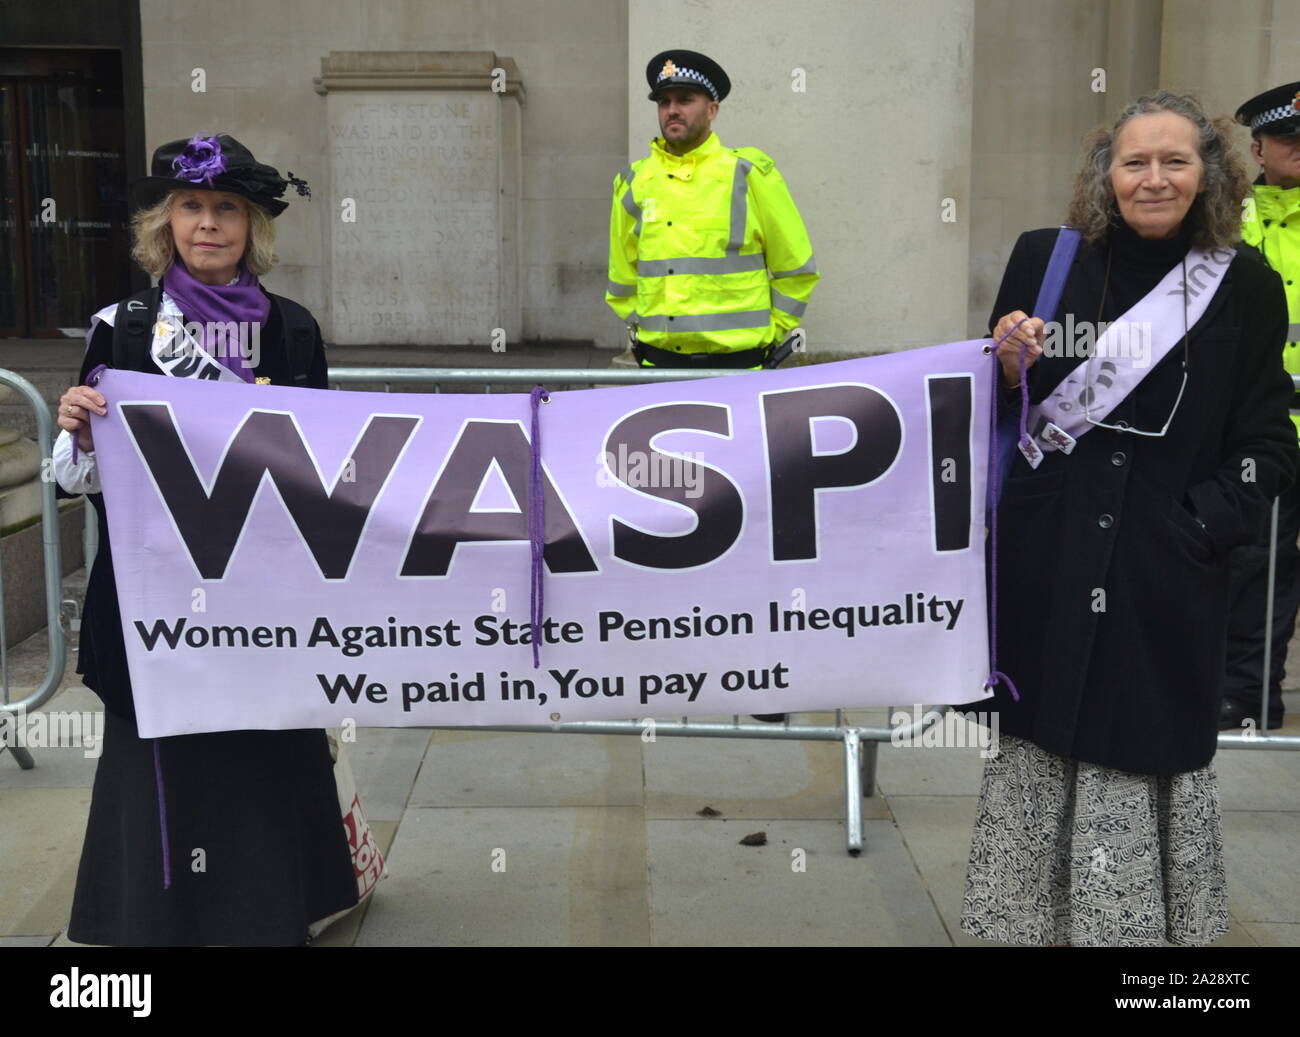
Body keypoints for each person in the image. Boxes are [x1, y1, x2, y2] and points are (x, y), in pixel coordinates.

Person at [960, 92, 1297, 946]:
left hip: (1162, 567)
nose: (1153, 178)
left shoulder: (1246, 284)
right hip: (1054, 553)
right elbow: (988, 405)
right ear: (1105, 175)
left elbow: (1266, 442)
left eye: (1175, 161)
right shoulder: (1047, 260)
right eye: (1134, 162)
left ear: (1209, 174)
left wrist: (1201, 525)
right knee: (1040, 743)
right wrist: (1001, 368)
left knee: (1135, 743)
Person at [53, 133, 359, 946]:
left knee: (262, 746)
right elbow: (73, 476)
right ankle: (156, 919)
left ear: (252, 225)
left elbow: (322, 469)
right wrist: (80, 434)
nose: (208, 224)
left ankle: (271, 909)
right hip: (156, 601)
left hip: (260, 594)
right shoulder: (122, 328)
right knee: (165, 755)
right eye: (191, 206)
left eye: (228, 208)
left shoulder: (293, 331)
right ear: (165, 222)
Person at [605, 49, 820, 370]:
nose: (672, 111)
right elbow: (622, 277)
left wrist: (772, 332)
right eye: (664, 102)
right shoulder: (633, 181)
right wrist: (642, 327)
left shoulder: (749, 174)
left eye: (685, 100)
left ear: (712, 110)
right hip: (658, 366)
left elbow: (797, 269)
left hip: (740, 369)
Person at [1220, 81, 1300, 731]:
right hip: (1265, 429)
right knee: (1258, 565)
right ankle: (1249, 696)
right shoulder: (1223, 222)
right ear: (1259, 149)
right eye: (1290, 141)